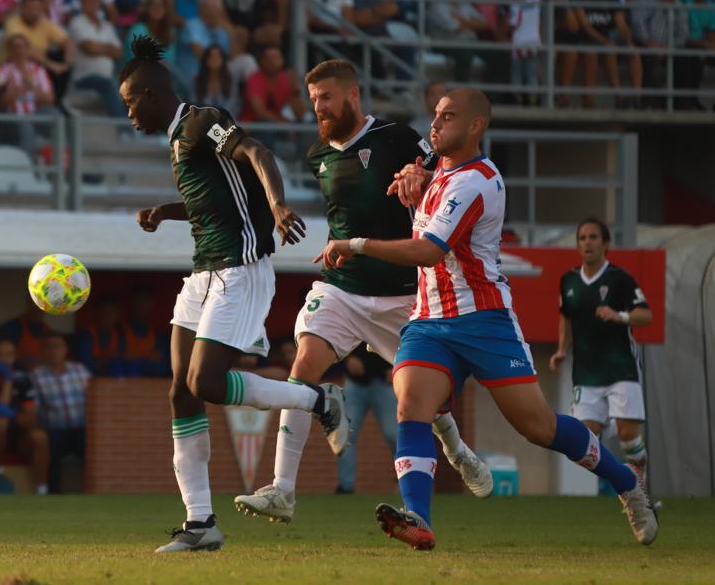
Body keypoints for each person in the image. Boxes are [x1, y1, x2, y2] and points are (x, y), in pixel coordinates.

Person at [317, 87, 657, 549]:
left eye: (449, 117)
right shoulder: (437, 170)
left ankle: (626, 484)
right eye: (435, 115)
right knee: (410, 404)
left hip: (484, 319)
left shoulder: (476, 180)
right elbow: (424, 204)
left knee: (539, 427)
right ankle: (418, 517)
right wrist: (413, 183)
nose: (435, 124)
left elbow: (428, 249)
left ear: (476, 126)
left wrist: (354, 244)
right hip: (428, 320)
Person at [234, 60, 488, 524]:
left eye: (326, 98)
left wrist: (420, 177)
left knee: (424, 398)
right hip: (343, 289)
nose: (319, 108)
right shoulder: (317, 155)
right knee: (303, 367)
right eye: (313, 100)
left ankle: (457, 450)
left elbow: (445, 174)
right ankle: (282, 490)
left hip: (402, 295)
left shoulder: (397, 137)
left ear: (352, 95)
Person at [119, 35, 338, 553]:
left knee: (207, 381)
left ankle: (318, 399)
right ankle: (201, 524)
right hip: (203, 273)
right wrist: (165, 211)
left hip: (241, 268)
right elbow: (213, 200)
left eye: (130, 102)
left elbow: (256, 151)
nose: (127, 112)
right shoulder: (177, 140)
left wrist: (280, 206)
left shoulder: (201, 121)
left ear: (150, 94)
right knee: (182, 390)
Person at [549, 218, 653, 479]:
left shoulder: (620, 279)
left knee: (628, 435)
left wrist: (620, 316)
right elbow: (566, 317)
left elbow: (646, 315)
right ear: (577, 245)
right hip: (586, 372)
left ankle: (639, 482)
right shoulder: (569, 281)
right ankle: (623, 480)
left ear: (605, 244)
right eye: (582, 238)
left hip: (621, 368)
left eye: (593, 237)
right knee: (586, 440)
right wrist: (562, 349)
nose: (587, 243)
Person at [0, 338, 50, 492]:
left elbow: (31, 416)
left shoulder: (23, 378)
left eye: (9, 355)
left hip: (18, 433)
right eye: (0, 355)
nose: (5, 359)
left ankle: (42, 488)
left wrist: (19, 418)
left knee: (40, 437)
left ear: (15, 356)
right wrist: (8, 382)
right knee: (0, 422)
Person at [574, 0, 641, 108]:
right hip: (589, 38)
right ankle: (616, 96)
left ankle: (637, 96)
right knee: (606, 50)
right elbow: (585, 26)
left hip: (608, 38)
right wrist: (604, 40)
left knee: (634, 52)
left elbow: (621, 24)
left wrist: (628, 39)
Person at [29, 332, 91, 494]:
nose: (53, 351)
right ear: (43, 351)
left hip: (82, 428)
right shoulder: (36, 375)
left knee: (96, 447)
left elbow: (95, 398)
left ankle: (97, 491)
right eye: (49, 347)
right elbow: (33, 407)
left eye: (57, 346)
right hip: (53, 430)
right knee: (50, 451)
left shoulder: (80, 371)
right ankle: (53, 495)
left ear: (65, 349)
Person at [335, 346, 397, 494]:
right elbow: (338, 338)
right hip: (355, 382)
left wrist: (397, 365)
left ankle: (406, 482)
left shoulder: (392, 322)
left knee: (394, 434)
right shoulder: (351, 322)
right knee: (345, 434)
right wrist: (348, 358)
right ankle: (345, 486)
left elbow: (400, 338)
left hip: (385, 381)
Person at [69, 0, 123, 115]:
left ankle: (150, 131)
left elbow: (119, 53)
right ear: (82, 1)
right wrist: (109, 48)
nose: (93, 2)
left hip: (107, 79)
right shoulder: (76, 22)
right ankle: (124, 131)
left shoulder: (107, 25)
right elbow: (89, 49)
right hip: (84, 79)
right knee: (111, 85)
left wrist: (98, 47)